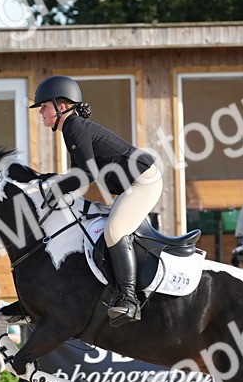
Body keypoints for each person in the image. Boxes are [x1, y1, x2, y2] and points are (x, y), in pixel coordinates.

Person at [30, 75, 161, 325]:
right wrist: (50, 182)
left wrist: (53, 188)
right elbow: (76, 175)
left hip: (143, 182)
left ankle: (129, 299)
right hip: (131, 184)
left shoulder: (74, 127)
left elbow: (85, 175)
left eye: (44, 107)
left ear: (62, 106)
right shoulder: (71, 128)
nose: (41, 113)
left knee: (114, 230)